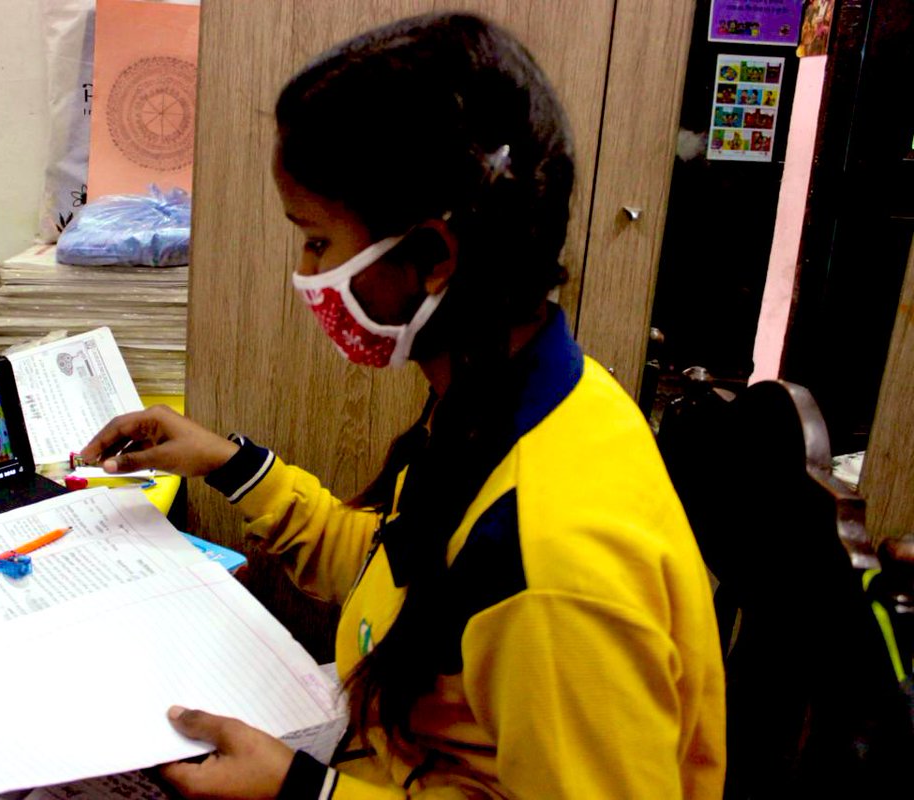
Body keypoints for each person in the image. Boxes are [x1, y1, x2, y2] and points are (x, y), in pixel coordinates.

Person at [81, 12, 724, 799]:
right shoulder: (517, 397)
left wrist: (302, 793)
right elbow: (410, 585)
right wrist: (234, 465)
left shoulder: (555, 569)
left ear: (431, 258)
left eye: (316, 241)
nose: (305, 274)